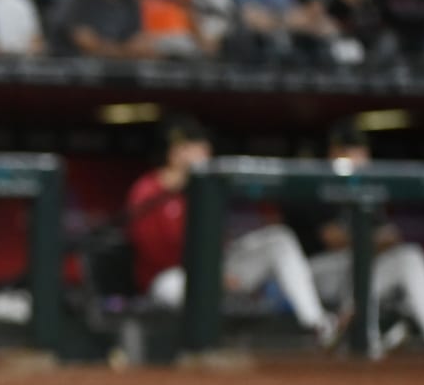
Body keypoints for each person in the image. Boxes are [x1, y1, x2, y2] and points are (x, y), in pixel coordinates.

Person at [126, 116, 337, 346]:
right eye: (199, 149)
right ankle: (205, 346)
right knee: (171, 286)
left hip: (217, 273)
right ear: (177, 153)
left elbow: (217, 241)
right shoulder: (147, 190)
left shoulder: (204, 189)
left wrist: (219, 270)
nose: (207, 155)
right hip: (170, 277)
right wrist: (211, 275)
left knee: (279, 239)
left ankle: (319, 325)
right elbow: (154, 252)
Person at [288, 122, 424, 360]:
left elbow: (393, 237)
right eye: (351, 151)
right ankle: (369, 333)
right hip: (319, 273)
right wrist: (373, 241)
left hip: (358, 270)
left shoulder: (367, 188)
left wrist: (370, 241)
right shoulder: (318, 184)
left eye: (361, 152)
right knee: (362, 260)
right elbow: (333, 240)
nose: (360, 157)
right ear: (334, 153)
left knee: (409, 256)